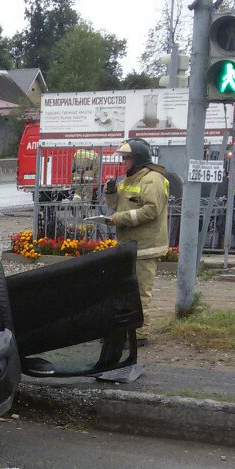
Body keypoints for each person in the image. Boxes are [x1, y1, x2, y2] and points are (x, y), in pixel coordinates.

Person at [103, 138, 170, 333]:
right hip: (129, 245)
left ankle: (140, 333)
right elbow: (118, 205)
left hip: (145, 247)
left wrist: (120, 218)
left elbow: (151, 210)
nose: (123, 162)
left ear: (138, 159)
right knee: (125, 291)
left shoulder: (152, 180)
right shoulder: (129, 179)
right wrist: (111, 192)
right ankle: (128, 330)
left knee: (140, 292)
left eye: (126, 158)